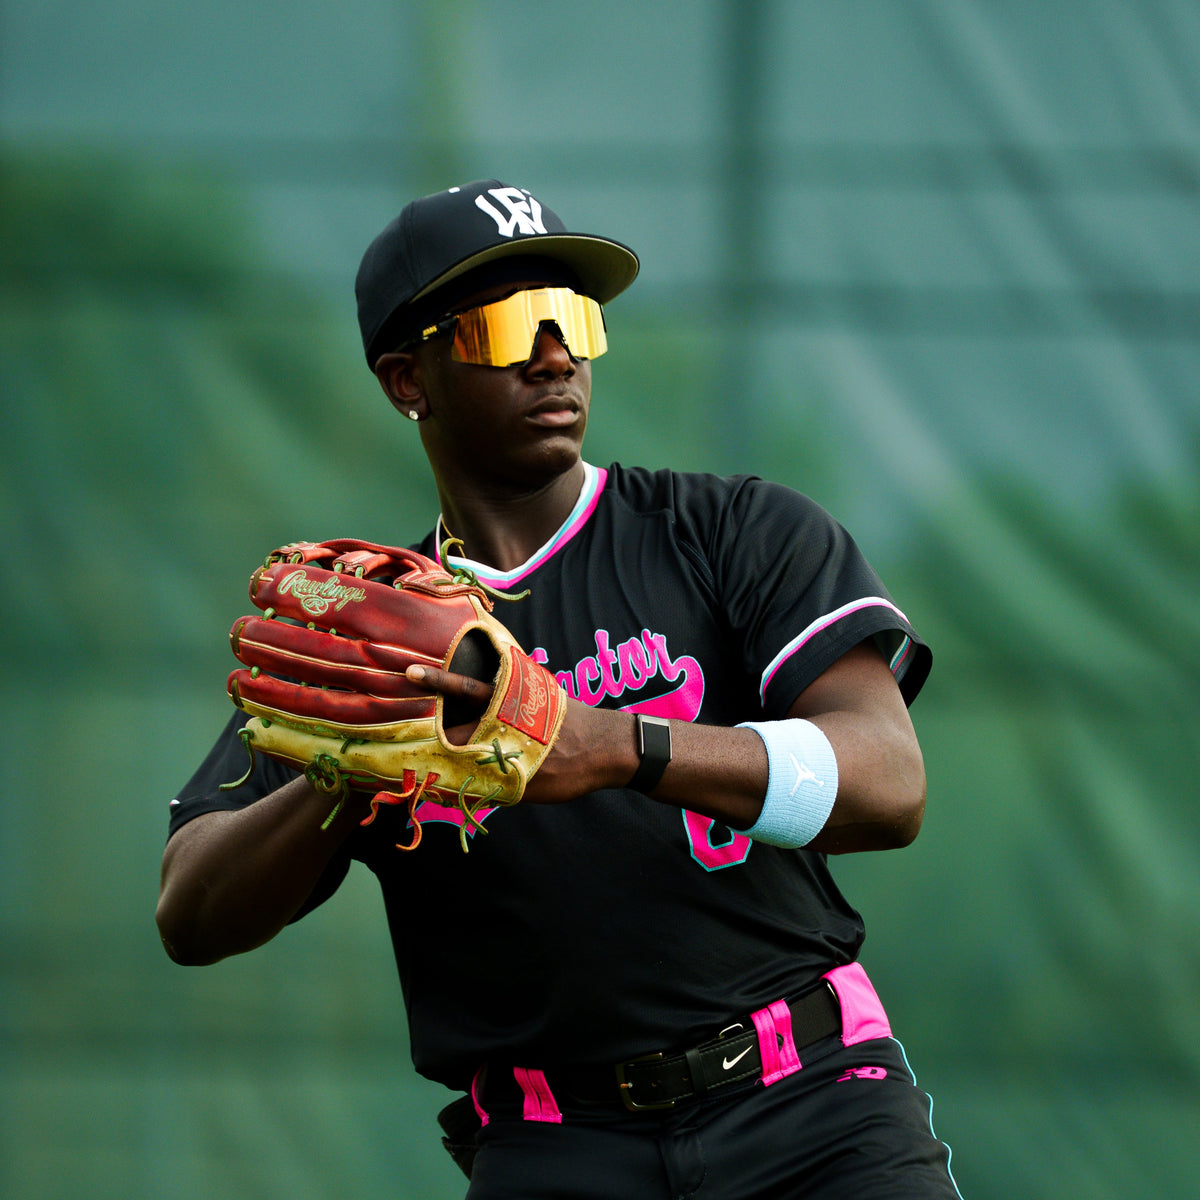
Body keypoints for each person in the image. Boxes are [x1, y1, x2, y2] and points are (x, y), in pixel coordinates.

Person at [158, 179, 962, 1198]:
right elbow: (190, 911)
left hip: (812, 1107)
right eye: (506, 327)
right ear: (410, 380)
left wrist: (615, 745)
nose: (554, 355)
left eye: (571, 319)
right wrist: (345, 775)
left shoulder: (730, 534)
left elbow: (889, 786)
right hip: (557, 1149)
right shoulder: (372, 643)